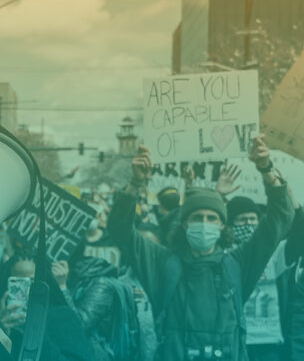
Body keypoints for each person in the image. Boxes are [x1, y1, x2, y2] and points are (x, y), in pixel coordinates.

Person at [108, 137, 294, 361]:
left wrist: (266, 169)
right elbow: (120, 230)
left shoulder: (238, 263)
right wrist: (135, 184)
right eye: (197, 217)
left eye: (211, 218)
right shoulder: (162, 262)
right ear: (185, 224)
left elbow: (280, 218)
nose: (204, 223)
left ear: (222, 225)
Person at [228, 189, 304, 361]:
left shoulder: (275, 252)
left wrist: (296, 207)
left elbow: (301, 236)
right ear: (231, 224)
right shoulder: (224, 256)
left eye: (253, 219)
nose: (248, 224)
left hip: (268, 342)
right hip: (235, 338)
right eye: (242, 219)